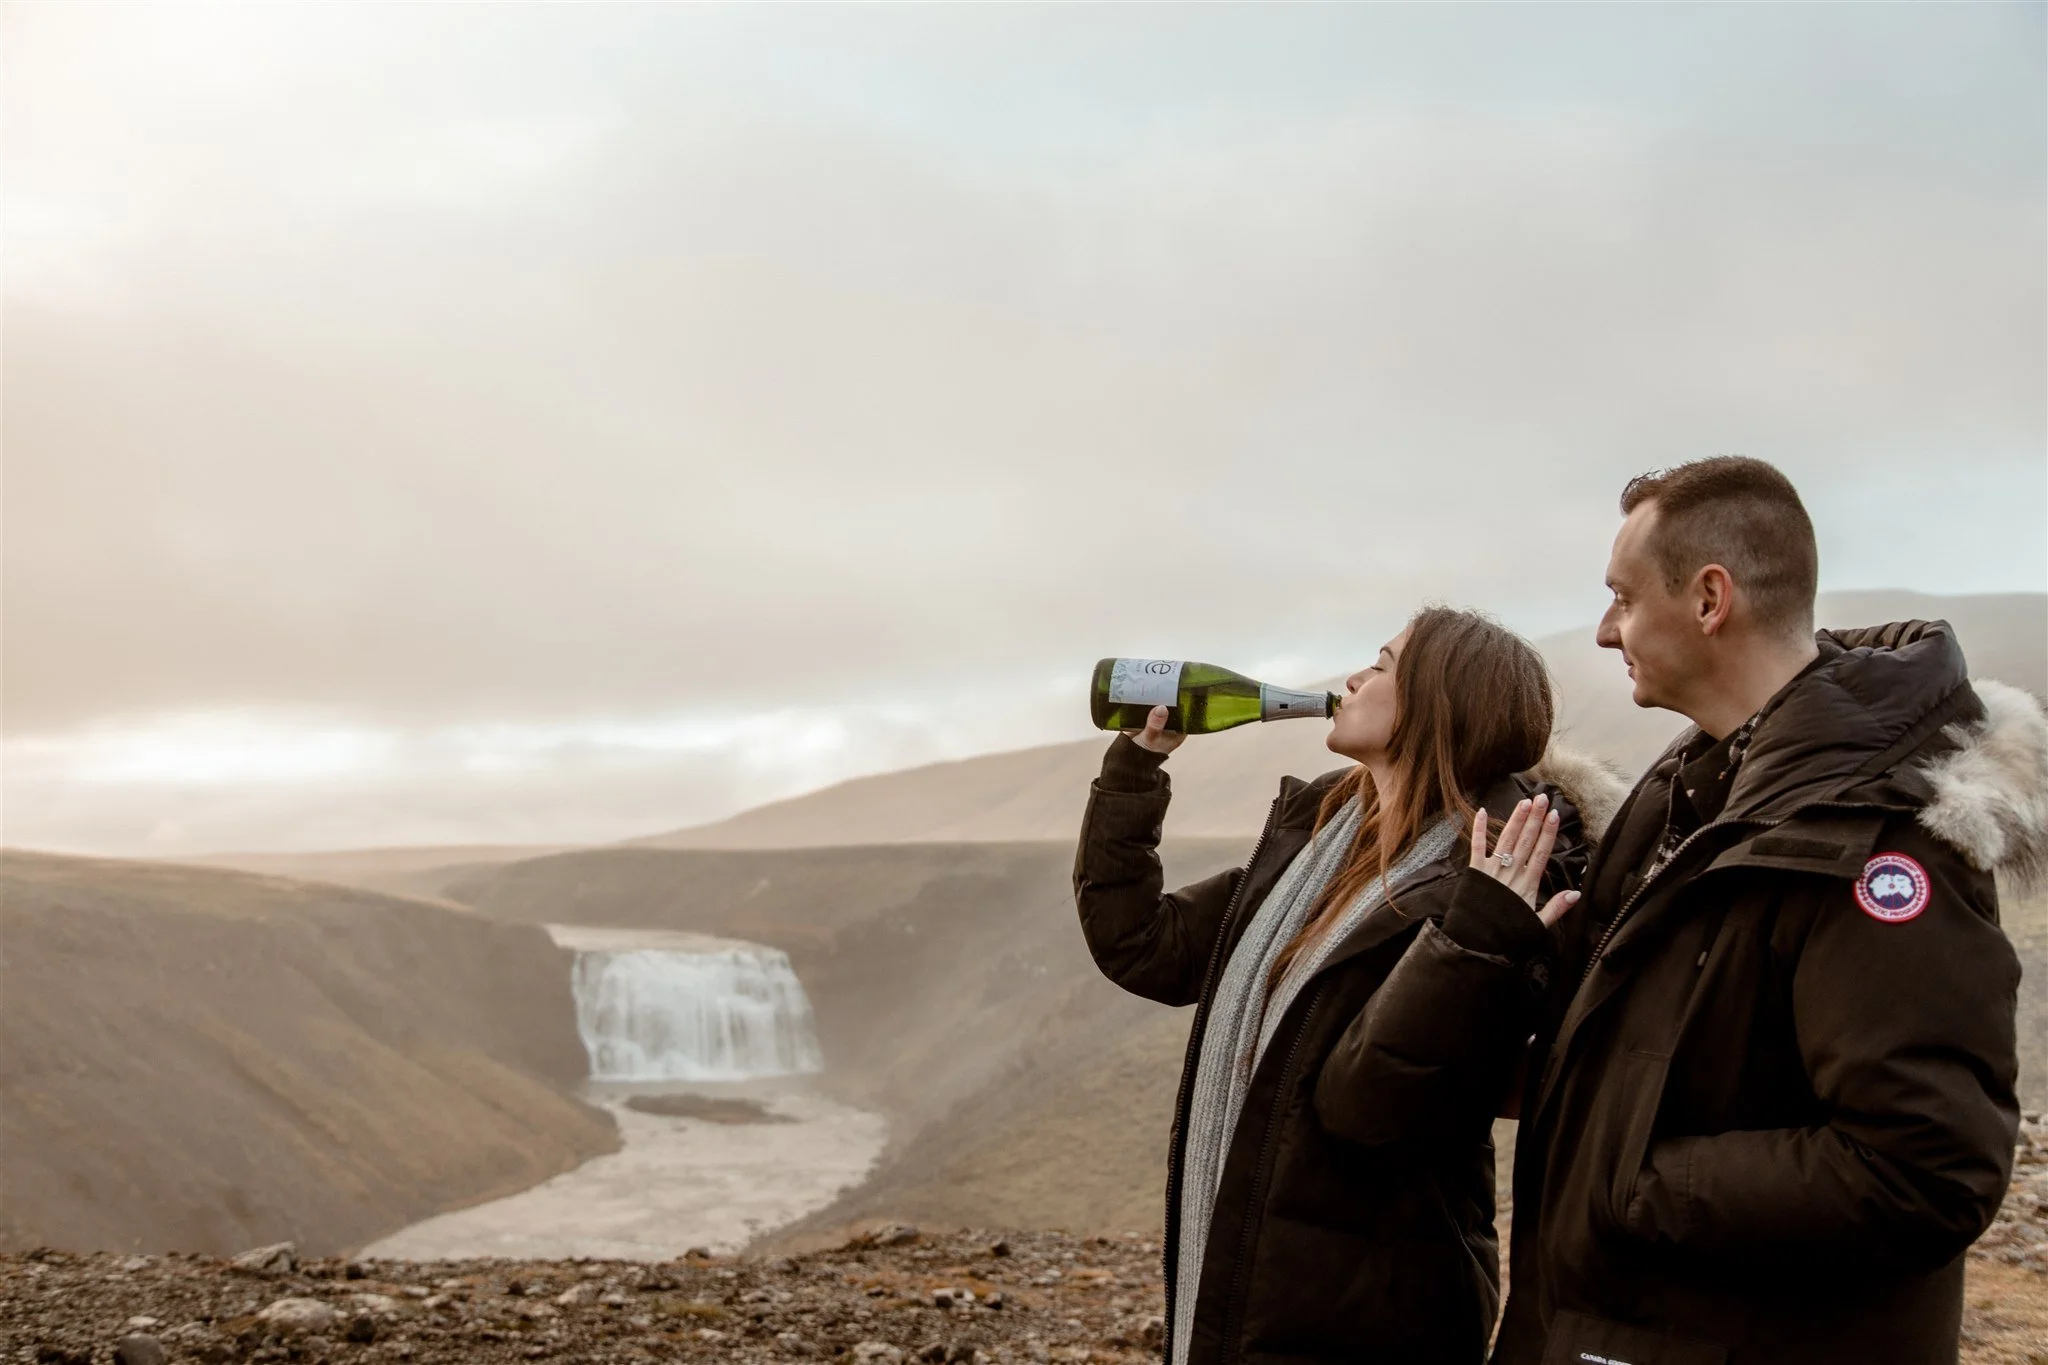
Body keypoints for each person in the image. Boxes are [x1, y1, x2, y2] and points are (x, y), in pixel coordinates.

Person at [1493, 457, 2045, 1365]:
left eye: (1622, 598)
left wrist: (1628, 1177)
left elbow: (1923, 1167)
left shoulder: (1882, 842)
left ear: (1711, 599)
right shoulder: (1684, 794)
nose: (1602, 630)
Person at [1073, 606, 1627, 1365]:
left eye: (1383, 663)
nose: (1352, 679)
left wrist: (1482, 930)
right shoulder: (1322, 852)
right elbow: (1143, 945)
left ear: (1440, 699)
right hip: (1257, 1292)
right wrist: (1137, 768)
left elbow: (1369, 1106)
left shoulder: (1508, 885)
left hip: (1373, 1317)